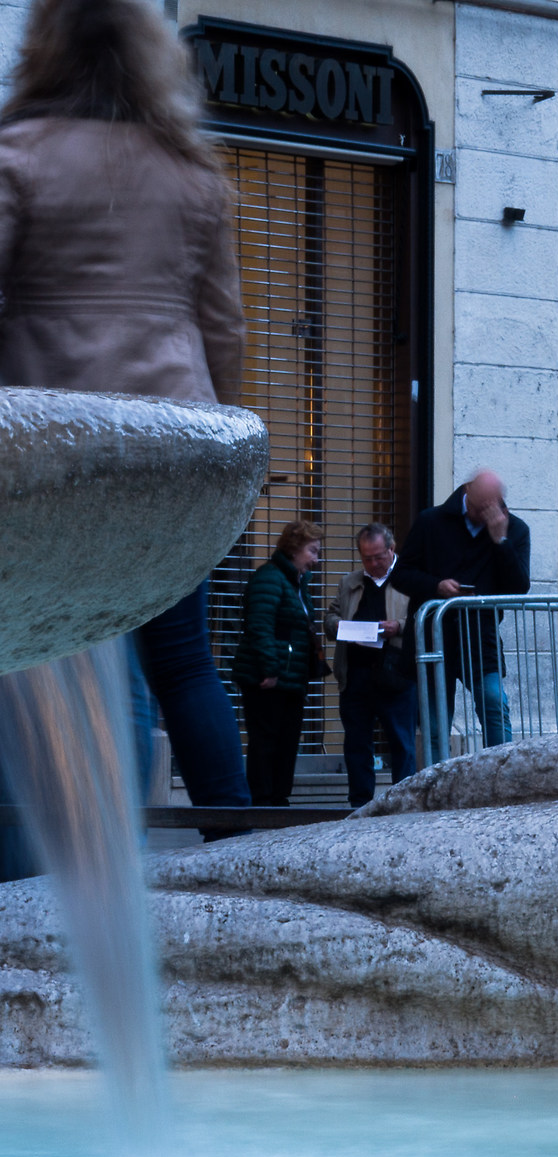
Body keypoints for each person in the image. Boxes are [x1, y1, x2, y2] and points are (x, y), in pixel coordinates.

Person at [0, 0, 252, 818]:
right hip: (177, 445)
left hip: (54, 456)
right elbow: (226, 327)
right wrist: (221, 429)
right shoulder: (192, 173)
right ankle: (235, 849)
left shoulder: (18, 157)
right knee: (183, 662)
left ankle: (73, 883)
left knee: (70, 656)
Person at [393, 470, 530, 749]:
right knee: (434, 723)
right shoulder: (431, 521)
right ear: (468, 492)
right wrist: (436, 586)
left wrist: (500, 541)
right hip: (434, 636)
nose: (489, 512)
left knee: (494, 707)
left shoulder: (513, 528)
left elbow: (519, 586)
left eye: (495, 504)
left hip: (481, 637)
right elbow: (401, 574)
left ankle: (502, 780)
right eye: (482, 506)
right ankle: (439, 785)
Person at [229, 521, 322, 807]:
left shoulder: (296, 582)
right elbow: (260, 626)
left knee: (287, 738)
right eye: (313, 551)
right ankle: (263, 798)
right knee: (267, 738)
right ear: (294, 549)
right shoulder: (270, 579)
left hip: (291, 677)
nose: (316, 559)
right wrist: (270, 670)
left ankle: (278, 797)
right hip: (271, 677)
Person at [332, 523, 417, 809]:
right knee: (357, 743)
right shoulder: (350, 582)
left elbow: (425, 617)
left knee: (401, 742)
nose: (373, 563)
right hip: (356, 673)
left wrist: (399, 626)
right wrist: (339, 626)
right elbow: (331, 616)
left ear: (391, 550)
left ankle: (402, 803)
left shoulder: (410, 577)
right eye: (366, 558)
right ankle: (359, 803)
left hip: (396, 673)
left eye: (378, 556)